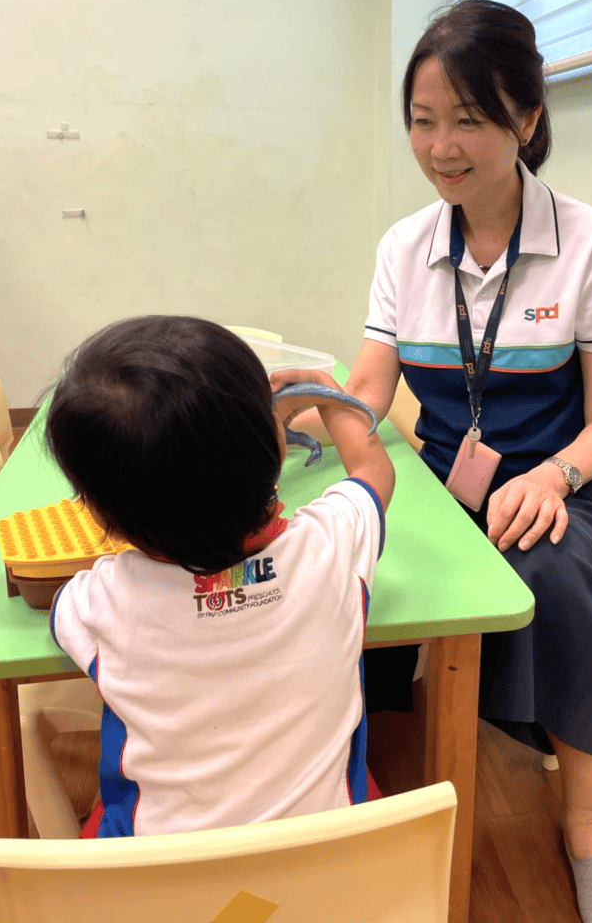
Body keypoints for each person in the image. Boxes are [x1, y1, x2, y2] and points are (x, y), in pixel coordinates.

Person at [295, 0, 592, 923]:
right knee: (353, 547)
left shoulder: (590, 243)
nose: (440, 147)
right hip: (450, 484)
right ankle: (367, 766)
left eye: (468, 119)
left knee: (548, 568)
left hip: (570, 482)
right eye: (421, 120)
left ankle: (589, 819)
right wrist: (315, 405)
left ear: (526, 119)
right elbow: (372, 382)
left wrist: (552, 475)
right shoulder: (404, 247)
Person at [45, 315, 394, 838]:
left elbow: (67, 609)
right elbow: (372, 472)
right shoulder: (332, 546)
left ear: (95, 511)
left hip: (155, 884)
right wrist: (328, 394)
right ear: (277, 451)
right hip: (330, 874)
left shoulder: (93, 603)